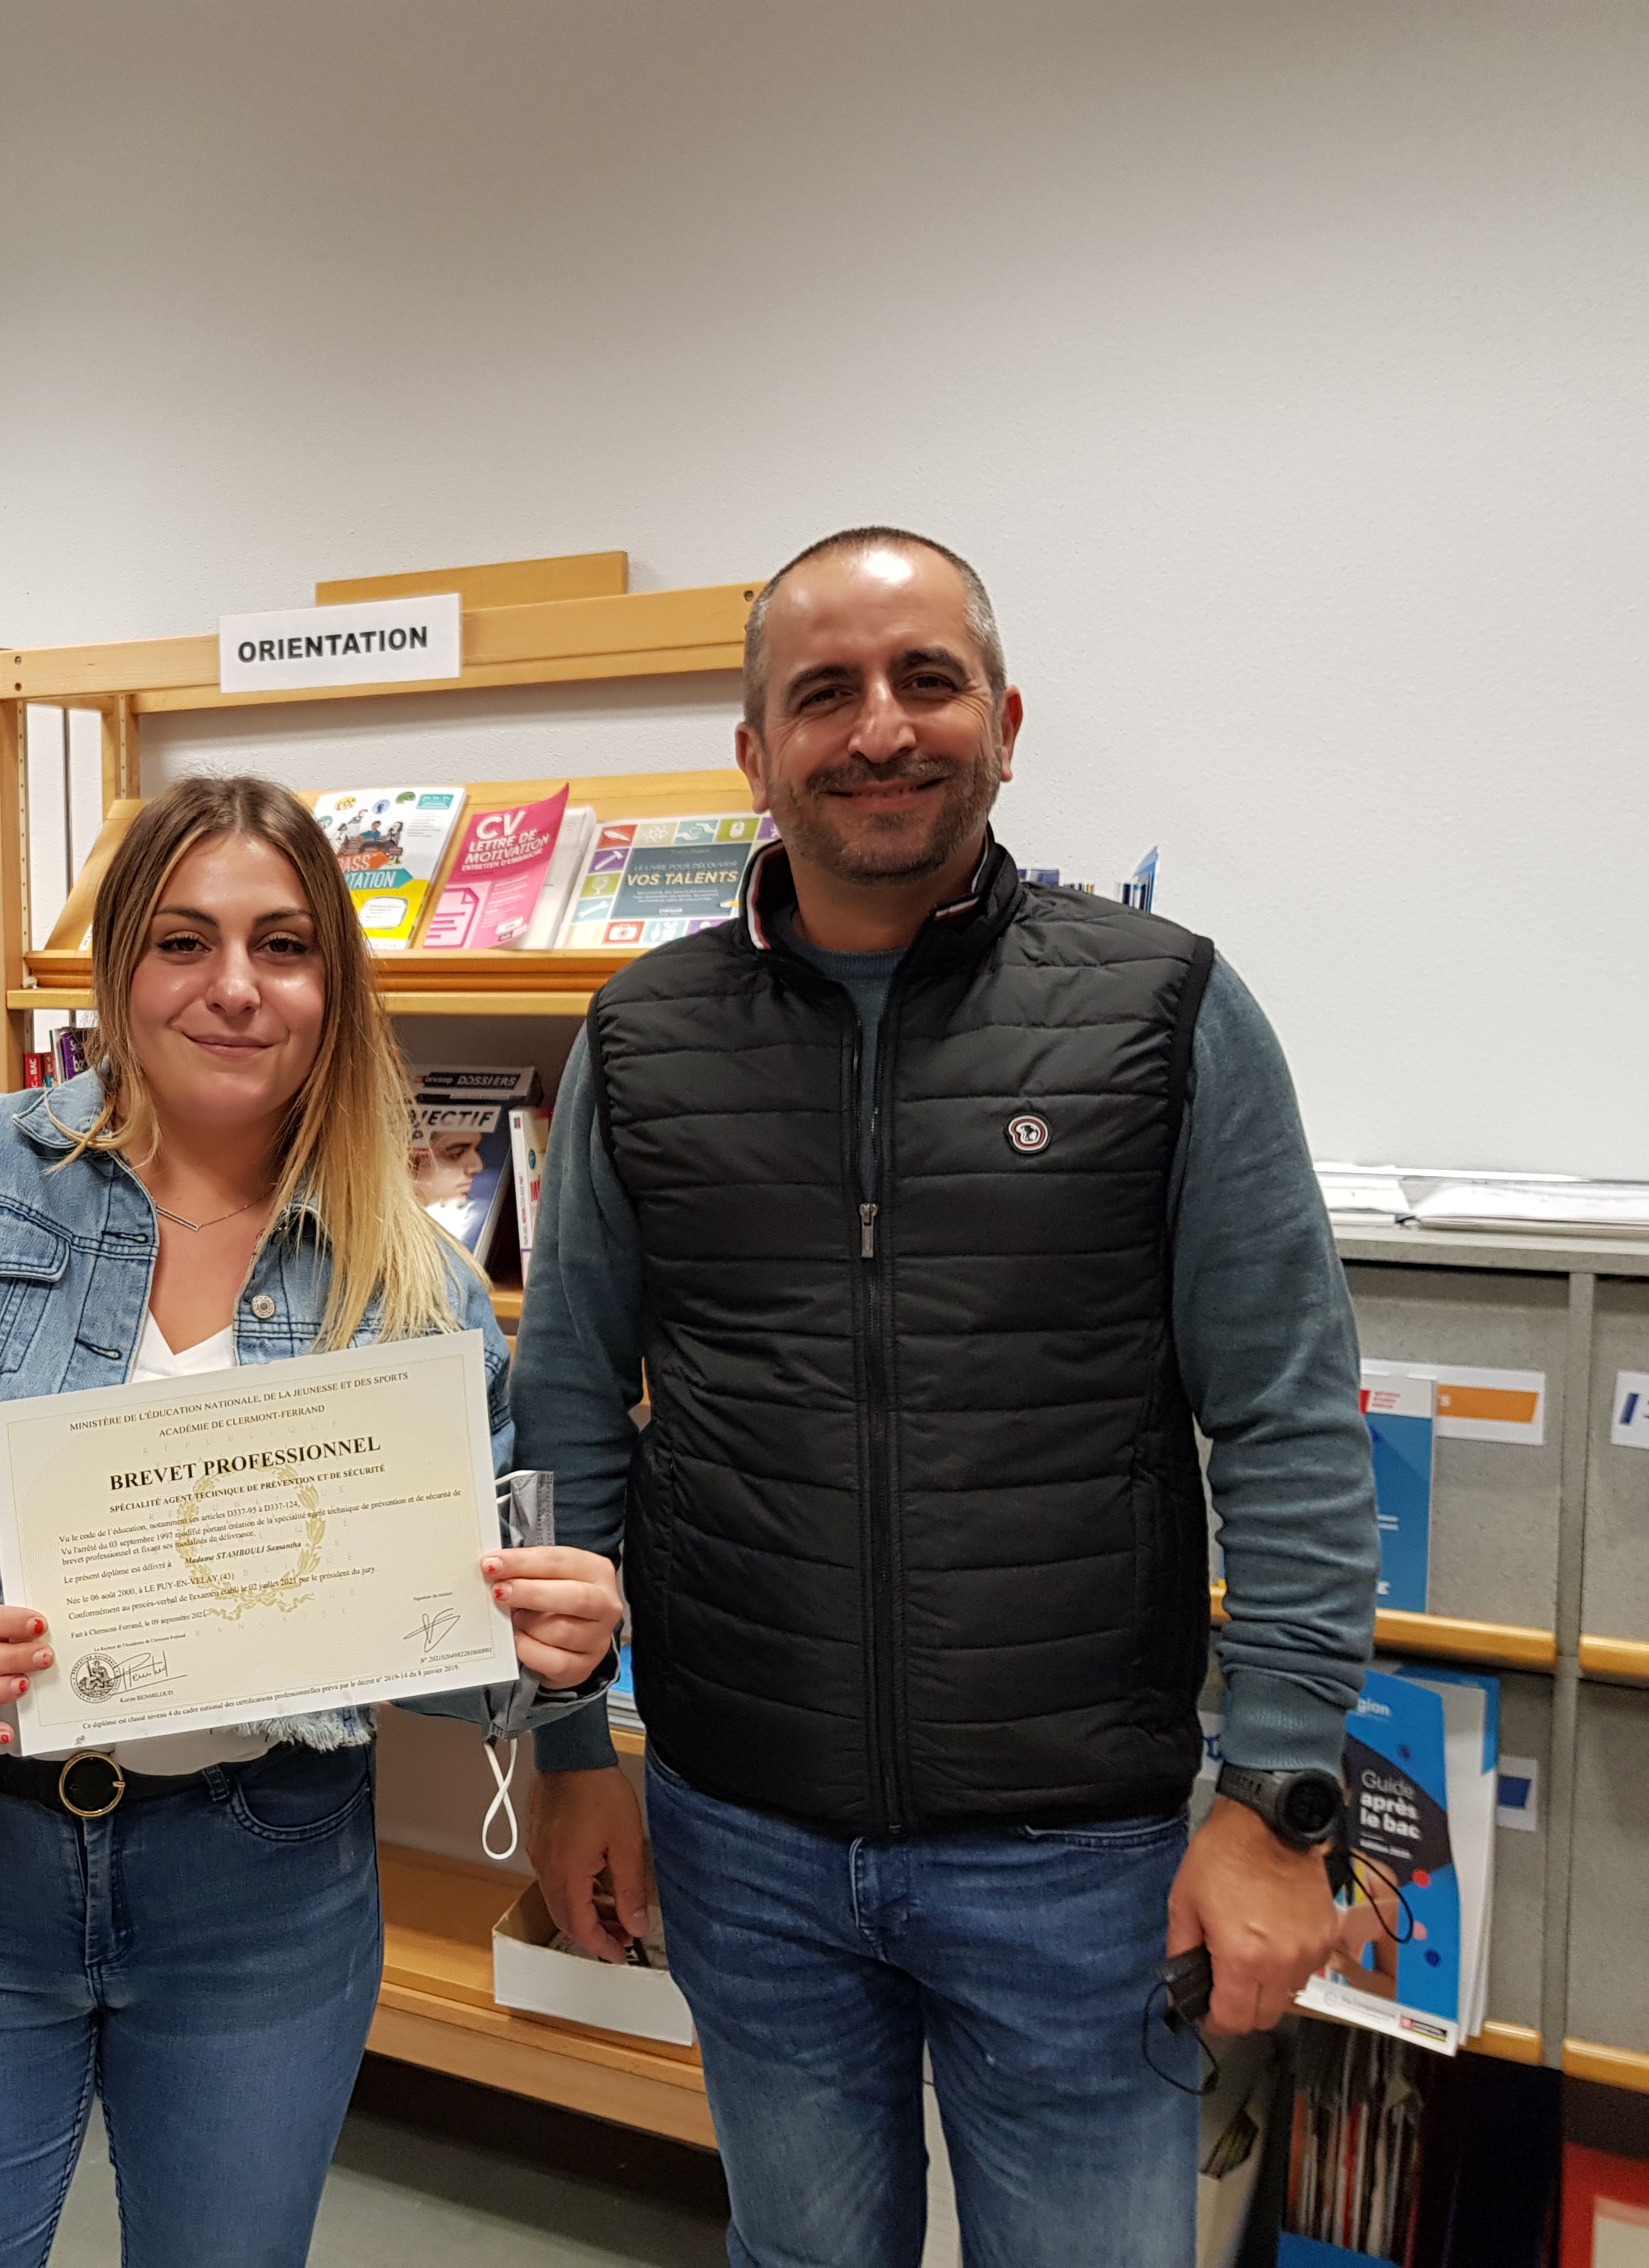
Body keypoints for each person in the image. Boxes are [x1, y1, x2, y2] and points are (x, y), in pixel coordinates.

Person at [516, 528, 1379, 2265]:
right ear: (756, 752)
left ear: (1006, 719)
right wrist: (566, 1748)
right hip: (741, 1834)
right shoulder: (642, 1036)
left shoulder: (1168, 1012)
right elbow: (569, 1404)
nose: (881, 728)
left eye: (928, 680)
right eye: (823, 692)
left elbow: (1288, 1416)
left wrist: (1280, 1795)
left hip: (1078, 1860)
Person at [0, 774, 628, 2268]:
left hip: (265, 1887)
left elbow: (458, 1642)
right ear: (119, 968)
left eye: (284, 945)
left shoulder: (415, 1282)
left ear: (334, 982)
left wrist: (550, 1648)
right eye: (186, 942)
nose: (236, 987)